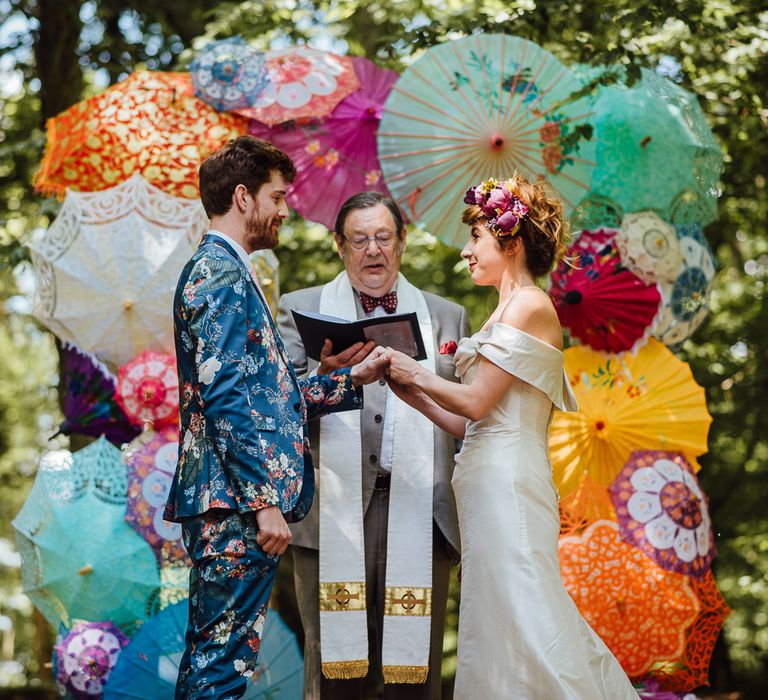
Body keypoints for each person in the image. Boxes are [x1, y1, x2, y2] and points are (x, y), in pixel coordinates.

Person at [381, 173, 640, 699]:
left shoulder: (529, 306)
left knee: (529, 616)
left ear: (512, 243)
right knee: (497, 619)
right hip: (483, 480)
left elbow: (476, 401)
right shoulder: (503, 309)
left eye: (476, 237)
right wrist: (416, 396)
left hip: (509, 485)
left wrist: (412, 371)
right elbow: (468, 421)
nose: (466, 251)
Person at [164, 136, 388, 700]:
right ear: (244, 197)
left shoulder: (232, 270)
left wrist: (347, 381)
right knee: (220, 666)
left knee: (221, 661)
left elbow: (263, 396)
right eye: (277, 197)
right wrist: (263, 502)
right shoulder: (218, 272)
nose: (285, 211)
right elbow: (224, 397)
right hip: (235, 505)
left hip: (234, 501)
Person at [277, 192, 470, 700]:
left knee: (417, 674)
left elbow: (470, 423)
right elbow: (275, 411)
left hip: (422, 511)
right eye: (359, 240)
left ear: (402, 243)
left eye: (384, 237)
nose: (373, 251)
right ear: (339, 246)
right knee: (334, 674)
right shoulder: (299, 310)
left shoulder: (447, 317)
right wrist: (325, 375)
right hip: (330, 516)